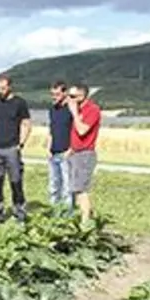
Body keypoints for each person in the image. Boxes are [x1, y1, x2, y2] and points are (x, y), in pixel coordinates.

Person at [0, 74, 32, 223]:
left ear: (10, 86)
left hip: (12, 148)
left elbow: (26, 123)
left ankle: (19, 212)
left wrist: (21, 143)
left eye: (3, 88)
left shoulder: (20, 103)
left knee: (16, 182)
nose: (0, 91)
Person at [67, 83, 102, 223]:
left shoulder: (92, 110)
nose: (69, 99)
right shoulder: (79, 109)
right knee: (75, 188)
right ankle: (86, 215)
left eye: (72, 96)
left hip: (85, 154)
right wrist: (71, 149)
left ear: (82, 96)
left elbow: (82, 130)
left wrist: (75, 113)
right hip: (75, 152)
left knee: (81, 189)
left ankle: (85, 222)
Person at [47, 80, 73, 213]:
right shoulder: (52, 109)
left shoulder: (71, 109)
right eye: (52, 94)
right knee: (53, 187)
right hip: (53, 152)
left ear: (65, 93)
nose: (54, 97)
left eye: (57, 94)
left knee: (67, 188)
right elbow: (51, 129)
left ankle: (67, 216)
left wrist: (71, 149)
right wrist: (48, 148)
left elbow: (76, 131)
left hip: (66, 152)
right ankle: (54, 214)